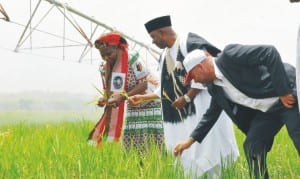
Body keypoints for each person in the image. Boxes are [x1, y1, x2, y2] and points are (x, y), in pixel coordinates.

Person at [129, 15, 239, 178]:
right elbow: (165, 86)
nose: (152, 41)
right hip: (180, 120)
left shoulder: (189, 44)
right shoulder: (163, 56)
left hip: (202, 110)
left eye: (153, 37)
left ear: (162, 32)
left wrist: (187, 97)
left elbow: (208, 70)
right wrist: (144, 97)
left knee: (210, 149)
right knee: (186, 156)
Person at [174, 45, 300, 179]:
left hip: (287, 96)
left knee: (297, 135)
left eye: (193, 76)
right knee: (252, 145)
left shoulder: (229, 56)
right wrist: (189, 141)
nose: (195, 81)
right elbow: (211, 115)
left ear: (200, 68)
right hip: (269, 111)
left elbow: (270, 52)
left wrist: (283, 91)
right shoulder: (215, 88)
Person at [88, 32, 164, 152]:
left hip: (151, 102)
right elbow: (110, 93)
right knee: (132, 144)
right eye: (103, 56)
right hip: (133, 104)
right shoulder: (104, 67)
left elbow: (145, 83)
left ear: (117, 48)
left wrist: (121, 98)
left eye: (109, 54)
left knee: (154, 143)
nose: (106, 58)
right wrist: (105, 100)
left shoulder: (131, 57)